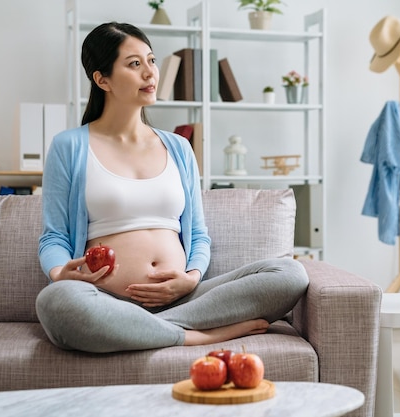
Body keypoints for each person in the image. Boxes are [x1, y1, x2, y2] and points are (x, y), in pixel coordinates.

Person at [35, 22, 309, 353]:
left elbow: (198, 233)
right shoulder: (69, 146)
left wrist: (191, 277)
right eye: (135, 64)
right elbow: (54, 237)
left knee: (289, 273)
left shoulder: (178, 147)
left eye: (151, 61)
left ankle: (144, 331)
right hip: (105, 299)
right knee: (56, 301)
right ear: (101, 79)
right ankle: (195, 335)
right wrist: (60, 273)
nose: (150, 74)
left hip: (184, 297)